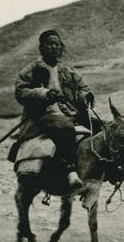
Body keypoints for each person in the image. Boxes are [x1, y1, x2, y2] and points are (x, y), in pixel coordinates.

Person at [13, 29, 95, 189]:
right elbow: (20, 92)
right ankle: (70, 170)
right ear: (41, 47)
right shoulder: (31, 70)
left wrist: (86, 98)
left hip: (69, 113)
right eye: (50, 44)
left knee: (103, 126)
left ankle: (110, 171)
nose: (54, 47)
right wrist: (44, 93)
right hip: (41, 116)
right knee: (64, 127)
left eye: (57, 44)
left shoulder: (68, 71)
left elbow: (82, 88)